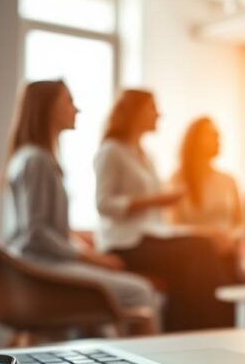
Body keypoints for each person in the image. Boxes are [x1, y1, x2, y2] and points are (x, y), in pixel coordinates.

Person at [2, 80, 159, 334]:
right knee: (140, 292)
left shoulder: (31, 158)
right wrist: (91, 258)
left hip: (40, 266)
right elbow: (36, 234)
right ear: (47, 107)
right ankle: (145, 360)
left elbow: (44, 229)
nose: (76, 109)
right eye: (68, 101)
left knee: (114, 301)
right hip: (41, 271)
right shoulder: (37, 160)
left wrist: (82, 244)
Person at [93, 90, 233, 330]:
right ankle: (211, 327)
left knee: (196, 263)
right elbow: (104, 204)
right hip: (125, 242)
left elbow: (159, 224)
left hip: (152, 236)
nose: (158, 114)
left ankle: (188, 329)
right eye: (152, 108)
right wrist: (155, 200)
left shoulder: (146, 156)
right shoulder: (111, 151)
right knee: (200, 251)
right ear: (136, 112)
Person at [169, 116, 244, 279]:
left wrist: (231, 239)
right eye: (212, 135)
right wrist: (210, 235)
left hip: (229, 255)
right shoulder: (177, 181)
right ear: (195, 140)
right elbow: (173, 227)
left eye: (219, 136)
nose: (218, 140)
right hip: (195, 258)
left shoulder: (228, 180)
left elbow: (241, 223)